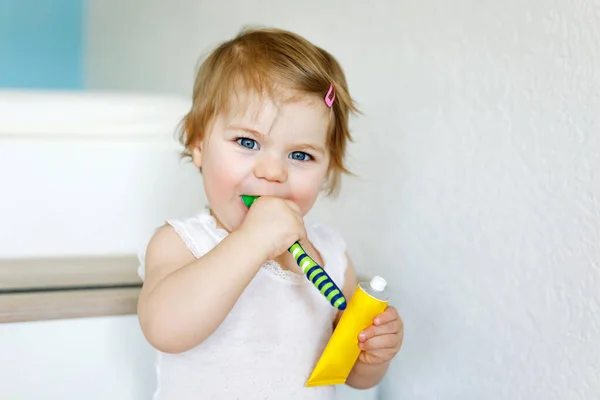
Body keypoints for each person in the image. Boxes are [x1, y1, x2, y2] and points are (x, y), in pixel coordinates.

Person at [136, 26, 404, 399]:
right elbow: (165, 329)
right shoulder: (183, 243)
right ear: (198, 145)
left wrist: (374, 353)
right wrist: (253, 241)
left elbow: (351, 374)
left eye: (300, 155)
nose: (273, 172)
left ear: (328, 168)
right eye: (248, 142)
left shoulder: (331, 256)